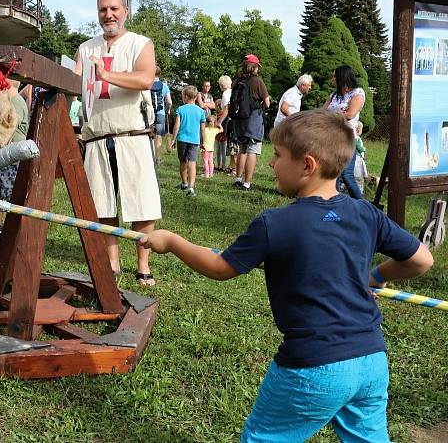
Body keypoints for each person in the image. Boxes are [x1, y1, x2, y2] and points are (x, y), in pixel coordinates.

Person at [140, 109, 433, 441]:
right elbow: (421, 260)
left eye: (278, 156)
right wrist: (377, 275)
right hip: (371, 360)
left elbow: (221, 268)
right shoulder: (366, 213)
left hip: (314, 366)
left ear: (307, 165)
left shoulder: (274, 223)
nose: (270, 163)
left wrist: (173, 241)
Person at [74, 0, 160, 286]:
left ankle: (143, 263)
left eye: (113, 9)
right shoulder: (86, 49)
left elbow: (145, 78)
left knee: (141, 201)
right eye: (102, 10)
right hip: (97, 136)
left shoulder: (140, 44)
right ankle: (112, 262)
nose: (108, 14)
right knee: (103, 202)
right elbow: (76, 84)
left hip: (131, 135)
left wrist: (106, 75)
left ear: (125, 11)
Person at [0, 86, 30, 244]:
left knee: (12, 194)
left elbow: (8, 127)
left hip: (13, 158)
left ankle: (15, 229)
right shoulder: (3, 102)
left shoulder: (16, 102)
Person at [324, 65, 366, 199]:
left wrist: (332, 114)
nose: (332, 79)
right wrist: (339, 113)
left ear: (342, 77)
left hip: (347, 139)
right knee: (333, 174)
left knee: (347, 175)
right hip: (331, 139)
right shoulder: (334, 95)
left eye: (334, 76)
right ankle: (335, 203)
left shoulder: (357, 93)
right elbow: (321, 112)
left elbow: (350, 114)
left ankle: (362, 206)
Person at [232, 54, 270, 190]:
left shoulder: (237, 81)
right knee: (252, 151)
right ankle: (247, 183)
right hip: (253, 119)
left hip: (239, 120)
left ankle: (237, 179)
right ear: (254, 67)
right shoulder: (257, 81)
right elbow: (267, 102)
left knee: (242, 149)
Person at [172, 86, 206, 196]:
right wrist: (203, 142)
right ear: (196, 97)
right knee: (192, 163)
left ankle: (184, 183)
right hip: (194, 141)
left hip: (182, 139)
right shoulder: (201, 111)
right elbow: (203, 129)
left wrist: (173, 139)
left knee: (183, 162)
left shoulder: (180, 109)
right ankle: (191, 188)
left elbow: (176, 127)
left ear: (186, 97)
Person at [150, 67, 173, 162]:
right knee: (158, 135)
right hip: (160, 114)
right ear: (159, 74)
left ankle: (149, 158)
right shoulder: (164, 86)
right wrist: (168, 110)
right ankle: (158, 159)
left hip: (149, 114)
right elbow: (169, 102)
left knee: (149, 135)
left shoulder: (147, 84)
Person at [215, 75, 235, 174]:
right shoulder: (232, 92)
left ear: (222, 84)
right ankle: (230, 166)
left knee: (227, 143)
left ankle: (227, 167)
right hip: (234, 120)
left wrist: (219, 121)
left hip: (228, 120)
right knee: (229, 144)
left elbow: (226, 109)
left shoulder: (225, 94)